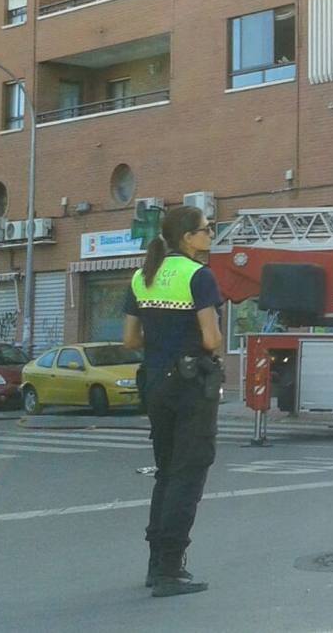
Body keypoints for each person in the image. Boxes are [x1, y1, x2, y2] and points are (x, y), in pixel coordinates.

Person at [122, 205, 224, 597]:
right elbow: (213, 340)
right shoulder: (199, 276)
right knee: (189, 471)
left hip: (155, 382)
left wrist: (163, 345)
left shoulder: (142, 275)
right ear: (188, 237)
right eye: (206, 229)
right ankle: (170, 568)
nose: (210, 235)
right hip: (190, 384)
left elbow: (130, 340)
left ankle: (154, 563)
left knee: (166, 471)